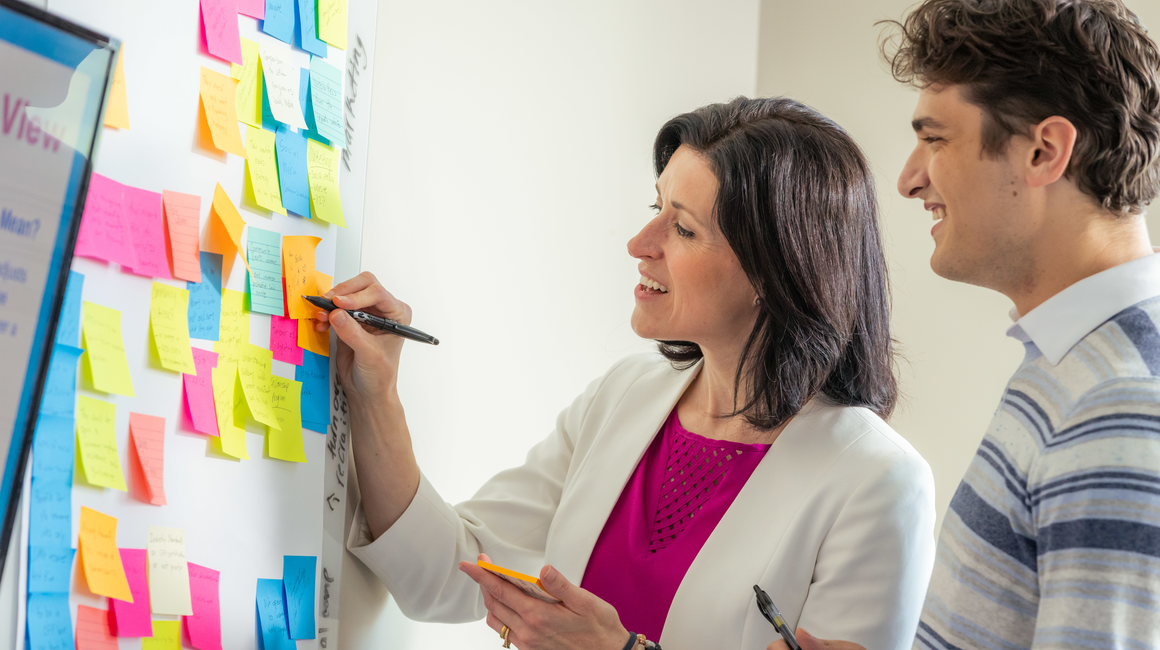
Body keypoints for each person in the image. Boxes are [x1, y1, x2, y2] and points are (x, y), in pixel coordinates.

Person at [321, 97, 936, 650]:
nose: (640, 242)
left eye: (683, 228)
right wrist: (376, 396)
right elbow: (447, 573)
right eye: (655, 208)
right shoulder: (624, 396)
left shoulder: (877, 483)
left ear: (774, 272)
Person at [769, 1, 1160, 649]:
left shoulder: (1118, 405)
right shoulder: (1074, 362)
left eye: (935, 139)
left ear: (1043, 151)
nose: (908, 179)